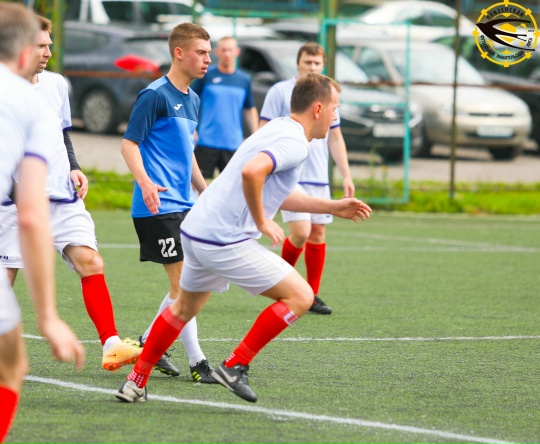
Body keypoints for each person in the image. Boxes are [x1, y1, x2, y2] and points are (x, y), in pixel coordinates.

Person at [115, 73, 372, 403]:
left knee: (182, 309)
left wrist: (331, 206)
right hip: (223, 239)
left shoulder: (278, 127)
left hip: (196, 229)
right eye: (335, 108)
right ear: (318, 109)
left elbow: (276, 190)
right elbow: (253, 172)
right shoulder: (295, 143)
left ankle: (135, 381)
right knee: (301, 297)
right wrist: (262, 221)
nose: (336, 116)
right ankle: (235, 365)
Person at [0, 14, 141, 373]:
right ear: (21, 48)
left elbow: (62, 133)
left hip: (62, 196)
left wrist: (74, 166)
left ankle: (111, 344)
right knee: (6, 280)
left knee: (91, 262)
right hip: (15, 203)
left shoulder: (56, 84)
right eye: (40, 46)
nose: (48, 52)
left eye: (49, 45)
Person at [0, 4, 84, 442]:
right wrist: (48, 316)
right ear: (22, 52)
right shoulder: (30, 103)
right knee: (10, 365)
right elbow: (32, 214)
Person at [120, 22, 215, 382]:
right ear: (179, 53)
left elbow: (187, 153)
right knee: (184, 286)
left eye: (208, 52)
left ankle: (149, 342)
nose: (208, 59)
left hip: (184, 204)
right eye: (201, 53)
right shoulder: (154, 95)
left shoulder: (193, 99)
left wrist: (205, 191)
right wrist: (145, 182)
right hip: (156, 207)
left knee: (189, 284)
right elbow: (128, 144)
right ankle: (198, 362)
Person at [259, 42, 356, 315]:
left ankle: (311, 295)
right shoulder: (280, 91)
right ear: (298, 63)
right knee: (301, 232)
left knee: (317, 233)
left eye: (316, 63)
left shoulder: (329, 95)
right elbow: (263, 129)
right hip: (291, 174)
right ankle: (283, 288)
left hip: (318, 177)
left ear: (323, 66)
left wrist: (346, 175)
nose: (311, 67)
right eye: (307, 62)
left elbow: (335, 137)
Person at [191, 36, 259, 179]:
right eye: (223, 50)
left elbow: (249, 108)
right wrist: (192, 128)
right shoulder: (206, 75)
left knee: (230, 188)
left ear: (237, 52)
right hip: (206, 141)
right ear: (217, 52)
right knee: (198, 185)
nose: (227, 54)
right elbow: (189, 100)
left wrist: (256, 136)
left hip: (233, 143)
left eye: (230, 50)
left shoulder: (244, 79)